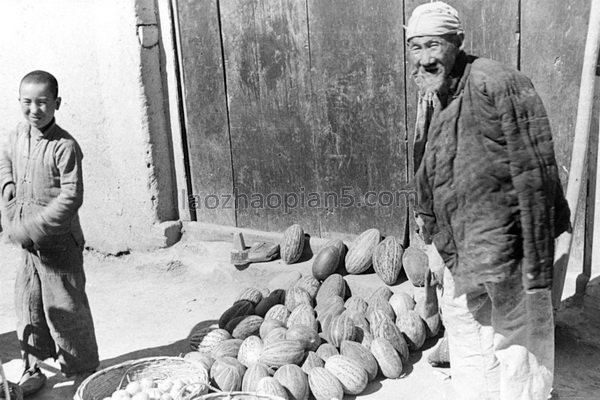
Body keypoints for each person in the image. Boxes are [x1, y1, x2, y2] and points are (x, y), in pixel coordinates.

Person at [406, 2, 570, 400]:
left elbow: (536, 167)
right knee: (465, 325)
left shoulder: (497, 82)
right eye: (416, 47)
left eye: (435, 45)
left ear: (458, 42)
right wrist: (429, 234)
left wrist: (536, 253)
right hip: (460, 243)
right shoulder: (432, 91)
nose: (425, 58)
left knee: (519, 340)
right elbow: (425, 165)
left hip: (508, 242)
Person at [0, 70, 99, 396]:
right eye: (27, 102)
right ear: (19, 102)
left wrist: (32, 226)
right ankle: (33, 365)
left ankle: (82, 370)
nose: (34, 110)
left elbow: (71, 197)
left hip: (58, 246)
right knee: (28, 302)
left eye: (42, 103)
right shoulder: (17, 134)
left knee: (66, 307)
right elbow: (4, 158)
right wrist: (8, 185)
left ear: (56, 103)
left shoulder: (64, 146)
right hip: (28, 247)